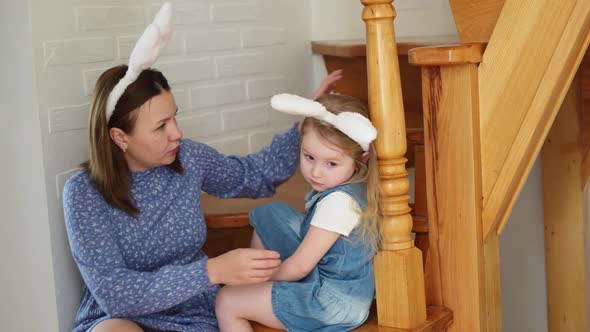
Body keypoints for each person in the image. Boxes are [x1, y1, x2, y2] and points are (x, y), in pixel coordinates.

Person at [62, 3, 341, 332]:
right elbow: (116, 294)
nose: (177, 132)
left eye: (174, 116)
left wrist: (307, 124)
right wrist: (213, 271)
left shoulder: (188, 157)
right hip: (120, 318)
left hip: (191, 313)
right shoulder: (84, 192)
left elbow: (253, 176)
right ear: (120, 137)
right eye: (161, 126)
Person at [215, 93, 381, 332]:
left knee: (227, 300)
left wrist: (257, 285)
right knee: (270, 213)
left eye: (331, 163)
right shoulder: (352, 188)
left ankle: (254, 285)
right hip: (335, 285)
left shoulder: (338, 203)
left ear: (360, 159)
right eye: (309, 157)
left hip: (331, 302)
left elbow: (300, 267)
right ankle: (256, 274)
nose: (316, 172)